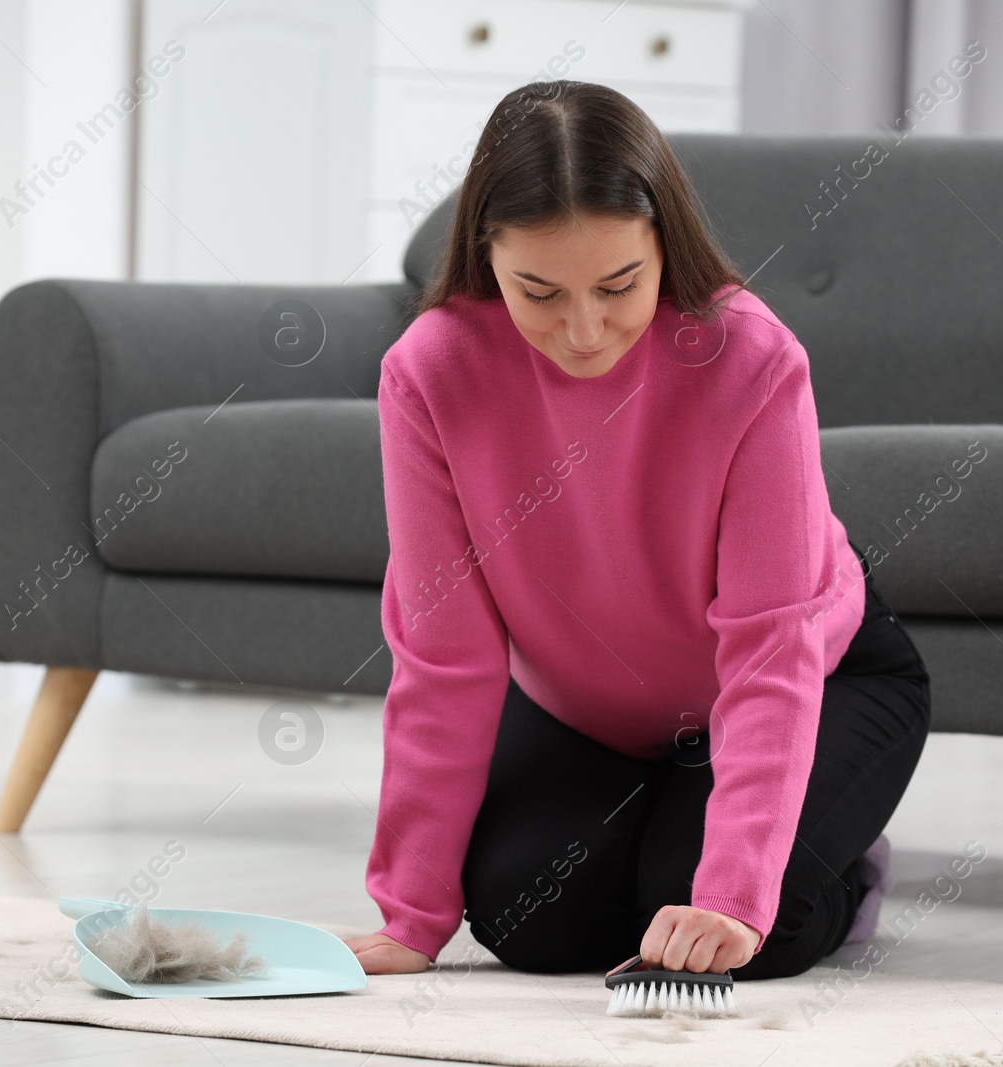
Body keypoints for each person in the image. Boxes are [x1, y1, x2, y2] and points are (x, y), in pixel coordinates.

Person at [341, 79, 931, 981]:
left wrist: (735, 893)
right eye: (538, 291)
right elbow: (444, 657)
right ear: (486, 258)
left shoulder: (753, 359)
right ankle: (681, 824)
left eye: (621, 285)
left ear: (665, 243)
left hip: (821, 669)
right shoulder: (428, 375)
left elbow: (773, 649)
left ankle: (845, 871)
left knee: (723, 932)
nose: (584, 330)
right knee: (527, 919)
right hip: (595, 713)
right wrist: (411, 917)